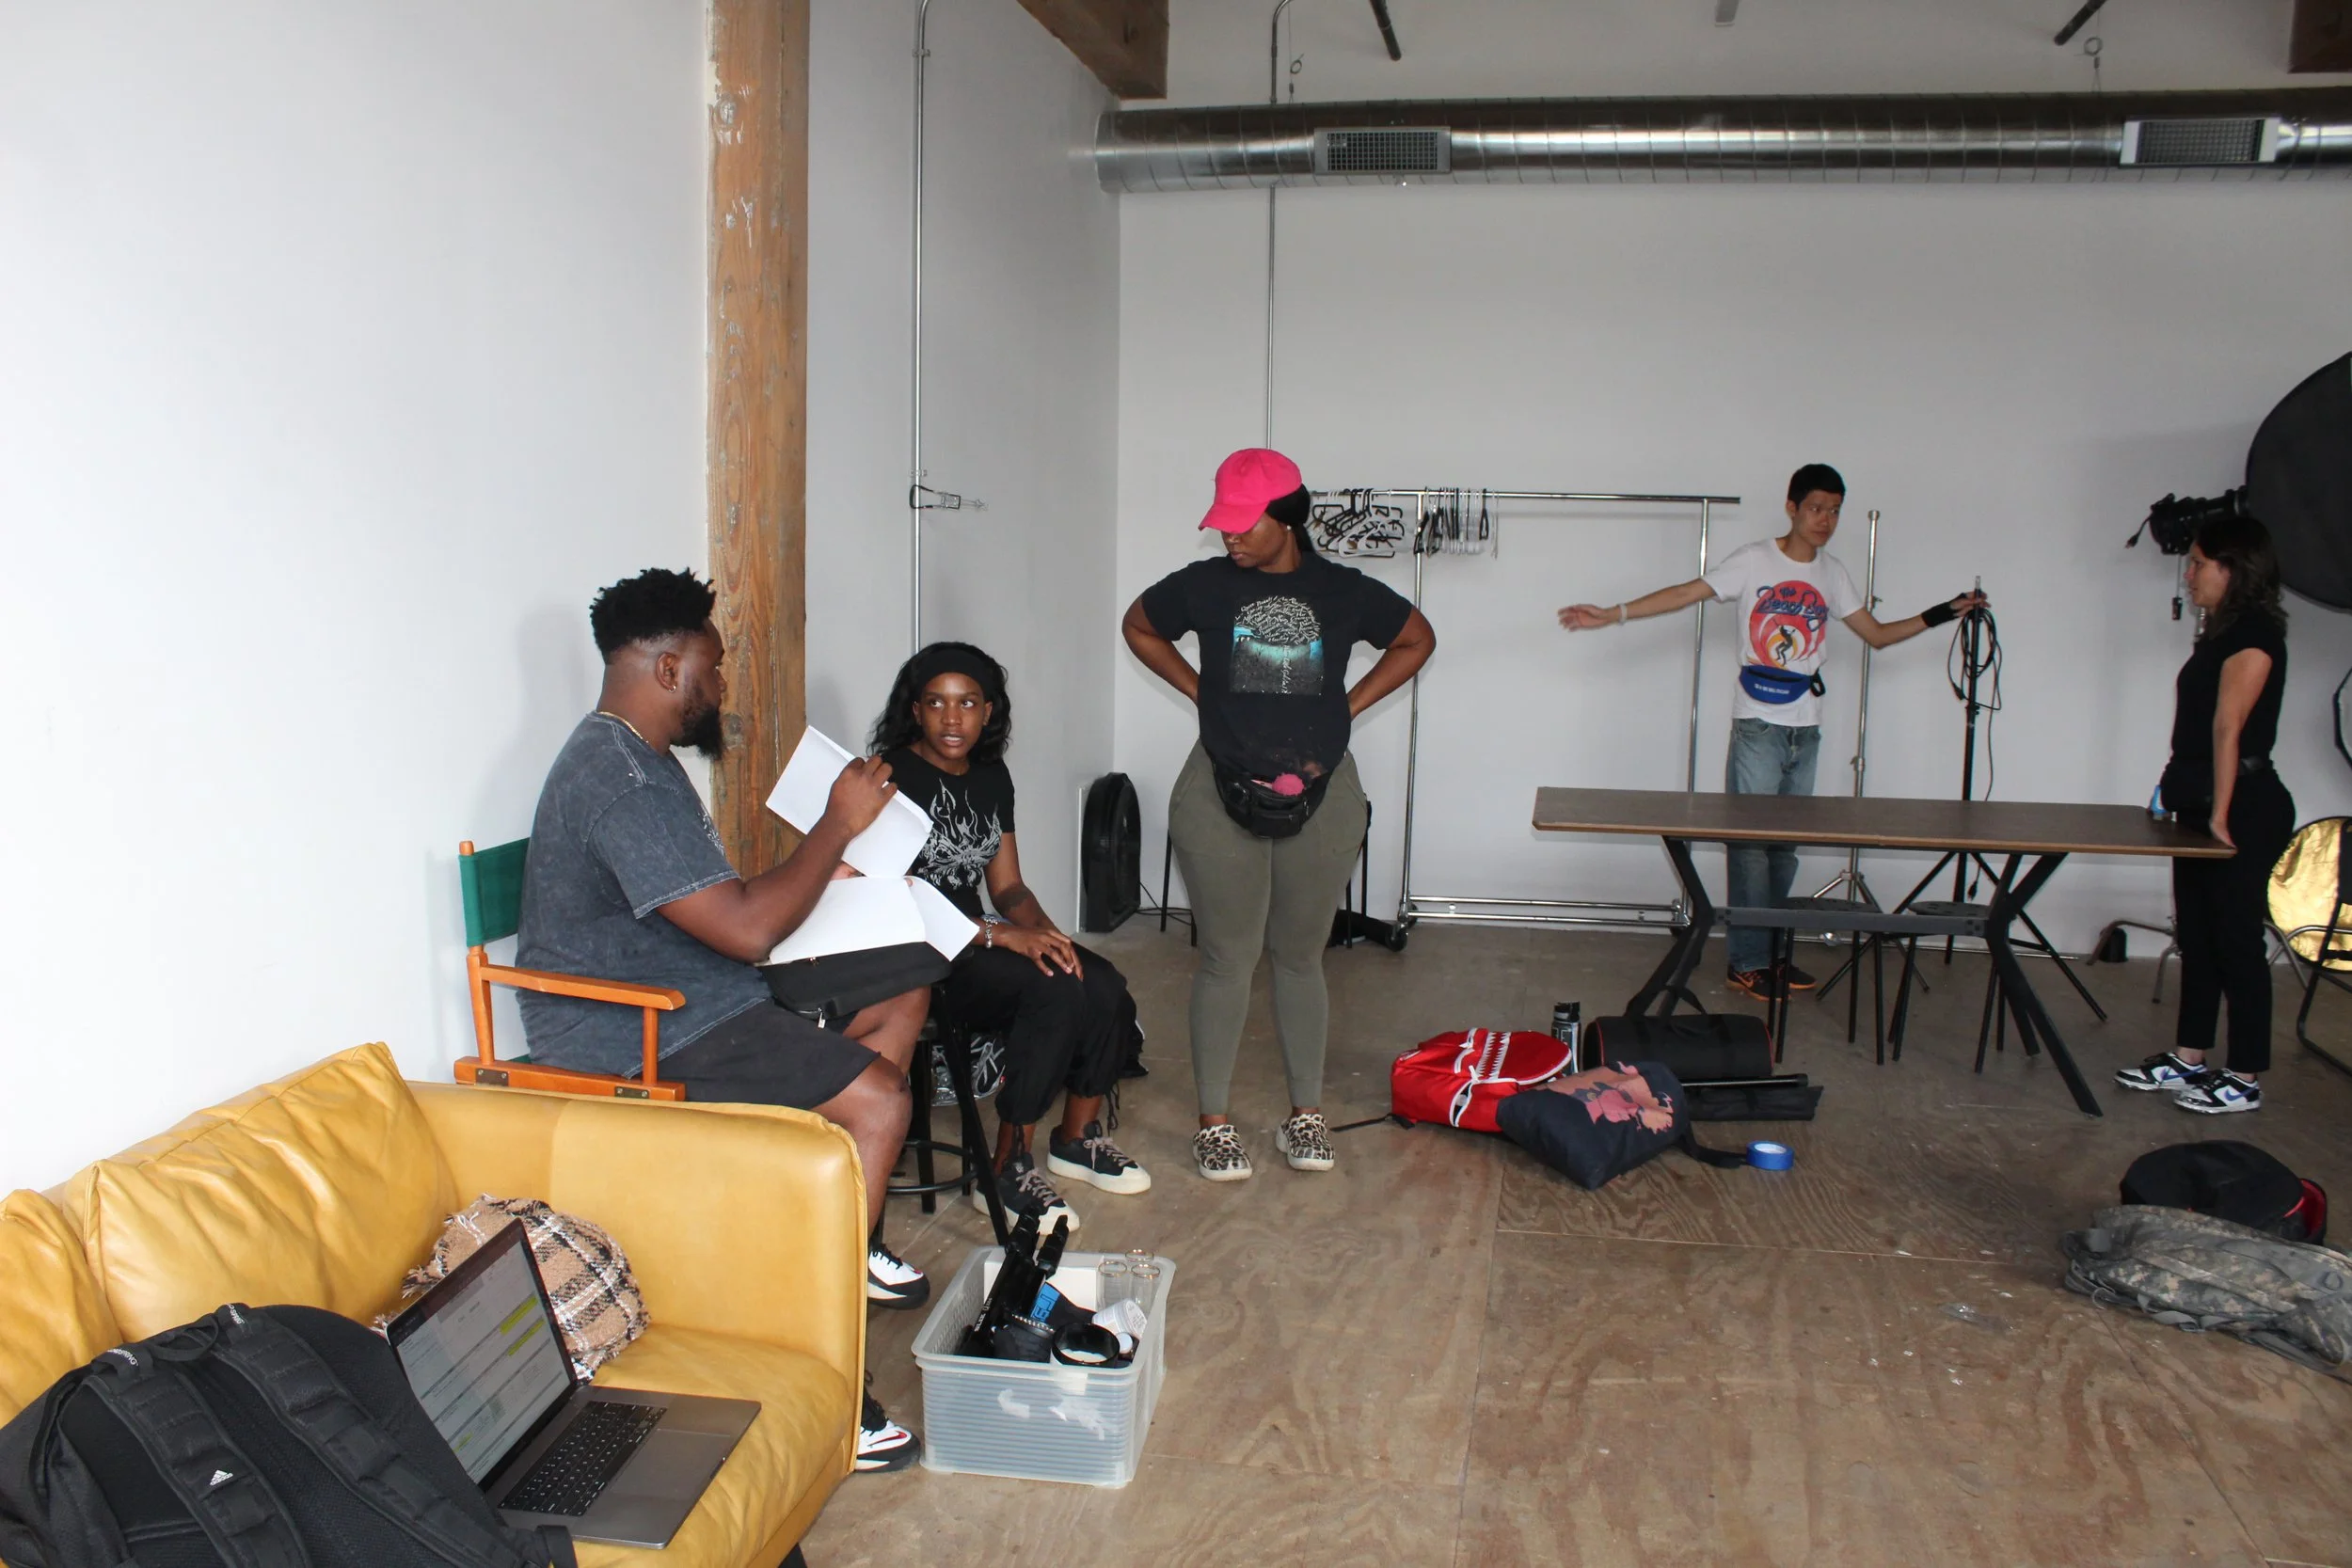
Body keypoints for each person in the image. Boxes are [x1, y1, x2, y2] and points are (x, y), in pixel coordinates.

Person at [515, 568, 926, 1472]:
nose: (723, 683)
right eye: (714, 664)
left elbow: (719, 903)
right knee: (880, 1100)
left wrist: (823, 877)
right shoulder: (618, 775)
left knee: (906, 984)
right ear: (669, 669)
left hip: (695, 986)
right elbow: (743, 928)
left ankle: (837, 1226)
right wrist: (835, 827)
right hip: (638, 1027)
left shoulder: (641, 755)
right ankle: (829, 1361)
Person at [1122, 449, 1437, 1181]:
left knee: (1300, 955)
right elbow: (1139, 625)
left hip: (1322, 792)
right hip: (1218, 789)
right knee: (1227, 956)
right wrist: (1200, 690)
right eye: (1223, 523)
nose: (1229, 535)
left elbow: (1417, 638)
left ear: (1287, 518)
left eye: (1244, 522)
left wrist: (1347, 706)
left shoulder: (1344, 591)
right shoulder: (1203, 586)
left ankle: (1306, 1113)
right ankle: (1214, 1123)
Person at [1558, 464, 1985, 999]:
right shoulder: (1755, 559)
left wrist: (1944, 612)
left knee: (1784, 849)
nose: (1825, 520)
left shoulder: (1833, 573)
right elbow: (1687, 592)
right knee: (1750, 848)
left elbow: (1876, 635)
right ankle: (1747, 961)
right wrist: (1615, 613)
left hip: (1806, 729)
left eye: (1835, 511)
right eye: (1816, 508)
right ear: (1792, 507)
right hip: (1759, 724)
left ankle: (1772, 957)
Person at [2116, 517, 2295, 1114]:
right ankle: (2188, 1057)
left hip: (2244, 807)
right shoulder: (2219, 634)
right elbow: (2195, 731)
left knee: (2236, 940)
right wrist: (2173, 791)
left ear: (2232, 568)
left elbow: (2227, 728)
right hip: (2200, 803)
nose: (2188, 574)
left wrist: (2220, 814)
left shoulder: (2256, 636)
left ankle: (2243, 1075)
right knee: (2197, 936)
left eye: (2197, 563)